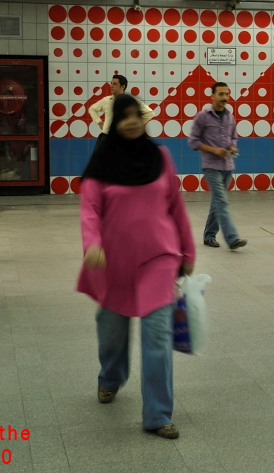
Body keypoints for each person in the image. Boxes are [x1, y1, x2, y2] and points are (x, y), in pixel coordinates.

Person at [77, 94, 195, 440]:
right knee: (112, 330)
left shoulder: (160, 156)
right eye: (124, 117)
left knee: (157, 335)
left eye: (136, 116)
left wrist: (187, 251)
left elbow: (175, 203)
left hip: (159, 258)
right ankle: (110, 377)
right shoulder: (102, 160)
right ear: (114, 122)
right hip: (114, 261)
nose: (131, 122)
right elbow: (89, 209)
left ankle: (158, 414)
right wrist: (92, 244)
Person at [187, 82, 247, 250]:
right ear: (212, 96)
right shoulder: (203, 116)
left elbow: (234, 137)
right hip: (211, 165)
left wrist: (233, 146)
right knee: (221, 201)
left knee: (216, 202)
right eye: (220, 94)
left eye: (226, 94)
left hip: (228, 165)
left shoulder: (230, 117)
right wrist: (214, 150)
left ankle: (209, 235)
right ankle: (232, 238)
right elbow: (193, 141)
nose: (224, 98)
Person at [88, 75, 154, 152]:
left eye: (115, 84)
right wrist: (99, 122)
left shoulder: (130, 102)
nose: (111, 86)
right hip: (106, 138)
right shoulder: (106, 100)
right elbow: (92, 109)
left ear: (122, 87)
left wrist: (135, 125)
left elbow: (150, 113)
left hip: (124, 139)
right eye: (111, 83)